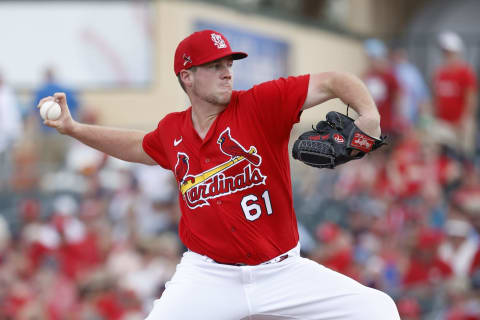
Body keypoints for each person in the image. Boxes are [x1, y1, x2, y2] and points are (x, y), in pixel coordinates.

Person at [38, 29, 400, 319]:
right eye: (214, 65)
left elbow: (335, 80)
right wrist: (74, 129)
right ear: (187, 76)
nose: (227, 70)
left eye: (229, 62)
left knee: (378, 310)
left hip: (281, 271)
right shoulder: (172, 130)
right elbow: (136, 146)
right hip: (209, 275)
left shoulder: (261, 103)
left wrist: (369, 116)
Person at [432, 31, 478, 159]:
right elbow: (437, 98)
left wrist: (465, 119)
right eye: (444, 52)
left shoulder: (465, 73)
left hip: (461, 123)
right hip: (443, 123)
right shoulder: (439, 73)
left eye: (449, 52)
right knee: (440, 155)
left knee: (464, 157)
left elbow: (471, 98)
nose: (446, 55)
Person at [362, 38, 403, 140]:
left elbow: (398, 97)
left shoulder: (389, 75)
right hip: (370, 123)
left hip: (386, 123)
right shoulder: (368, 74)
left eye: (372, 58)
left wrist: (399, 117)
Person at [0, 70, 22, 190]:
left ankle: (5, 188)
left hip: (7, 137)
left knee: (7, 166)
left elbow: (12, 117)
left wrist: (14, 135)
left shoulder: (8, 94)